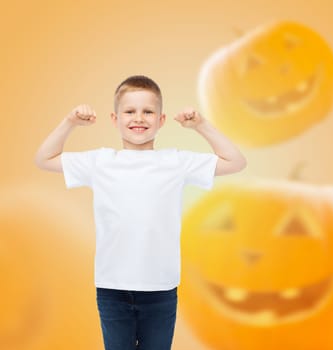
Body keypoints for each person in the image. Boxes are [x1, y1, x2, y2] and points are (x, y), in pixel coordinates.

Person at [34, 75, 247, 350]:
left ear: (161, 120)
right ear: (115, 118)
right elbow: (44, 159)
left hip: (160, 290)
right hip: (112, 288)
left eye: (148, 111)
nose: (139, 118)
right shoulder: (100, 161)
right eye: (130, 111)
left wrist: (201, 126)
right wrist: (70, 123)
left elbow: (236, 162)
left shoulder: (176, 161)